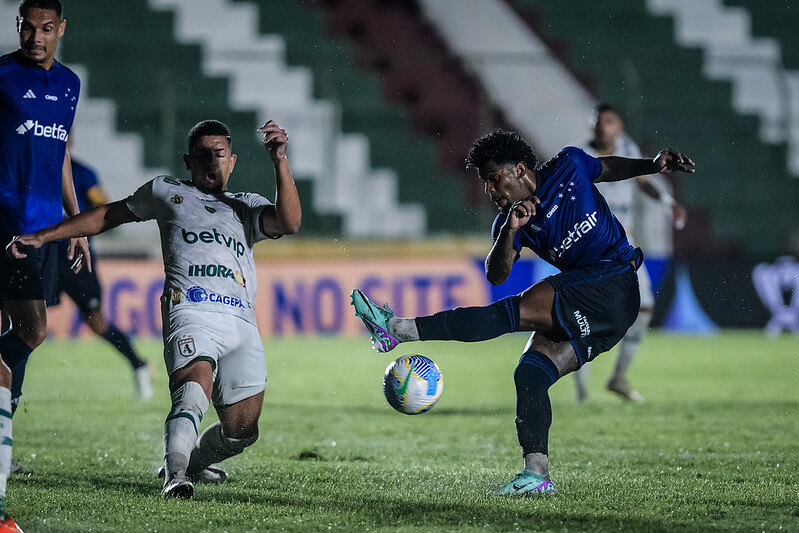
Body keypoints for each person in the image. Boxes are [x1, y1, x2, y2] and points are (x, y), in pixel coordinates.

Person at [351, 130, 694, 496]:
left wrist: (652, 165)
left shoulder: (570, 165)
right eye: (485, 183)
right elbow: (496, 274)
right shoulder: (510, 222)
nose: (490, 190)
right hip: (604, 313)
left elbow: (605, 167)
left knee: (509, 314)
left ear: (518, 170)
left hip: (612, 282)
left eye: (493, 178)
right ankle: (536, 475)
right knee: (531, 373)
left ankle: (399, 329)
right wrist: (511, 232)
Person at [8, 119, 301, 499]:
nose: (211, 161)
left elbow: (290, 222)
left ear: (233, 162)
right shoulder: (167, 191)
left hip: (241, 319)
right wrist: (48, 234)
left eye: (220, 154)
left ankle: (188, 464)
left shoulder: (247, 205)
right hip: (190, 309)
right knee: (192, 390)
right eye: (202, 154)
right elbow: (108, 214)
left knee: (242, 430)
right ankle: (175, 477)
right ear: (187, 161)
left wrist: (280, 160)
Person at [0, 0, 88, 526]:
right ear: (19, 27)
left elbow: (61, 157)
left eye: (47, 29)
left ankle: (5, 425)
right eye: (29, 28)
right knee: (28, 331)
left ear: (61, 30)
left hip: (43, 233)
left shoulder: (71, 85)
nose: (37, 37)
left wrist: (76, 224)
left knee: (25, 336)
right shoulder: (2, 77)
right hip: (3, 226)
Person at [573, 103, 687, 402]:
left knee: (644, 309)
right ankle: (582, 389)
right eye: (598, 120)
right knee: (583, 315)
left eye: (609, 121)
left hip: (624, 246)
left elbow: (642, 181)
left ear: (619, 126)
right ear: (590, 125)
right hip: (592, 247)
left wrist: (667, 201)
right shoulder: (579, 156)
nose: (602, 126)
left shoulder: (626, 147)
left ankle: (619, 377)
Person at [56, 143, 152, 400]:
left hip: (75, 255)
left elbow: (102, 205)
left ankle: (138, 364)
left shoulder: (83, 173)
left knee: (96, 321)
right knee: (24, 314)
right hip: (42, 252)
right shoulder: (35, 167)